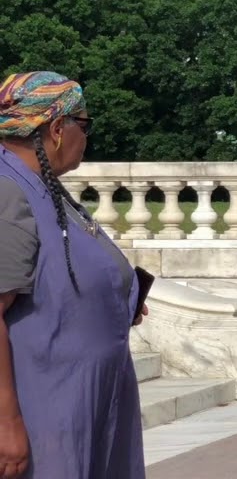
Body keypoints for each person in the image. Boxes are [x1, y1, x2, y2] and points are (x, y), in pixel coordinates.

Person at [0, 71, 147, 478]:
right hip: (46, 408)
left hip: (85, 400)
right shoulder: (7, 190)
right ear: (56, 128)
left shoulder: (41, 185)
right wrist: (6, 424)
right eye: (84, 124)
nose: (87, 135)